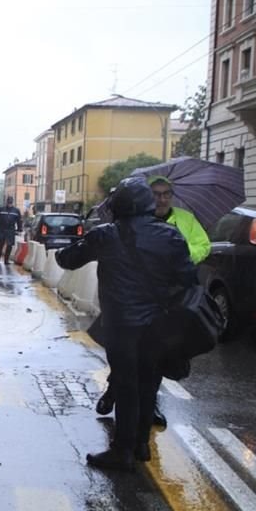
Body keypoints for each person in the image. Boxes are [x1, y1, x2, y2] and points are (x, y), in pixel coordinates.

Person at [58, 178, 196, 471]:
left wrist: (78, 243)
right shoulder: (170, 235)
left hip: (121, 324)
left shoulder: (106, 235)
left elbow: (67, 260)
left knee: (126, 383)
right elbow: (188, 280)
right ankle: (141, 444)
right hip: (158, 323)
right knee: (149, 383)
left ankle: (122, 450)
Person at [94, 175, 212, 425]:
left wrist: (181, 254)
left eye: (166, 194)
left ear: (172, 195)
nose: (161, 199)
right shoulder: (129, 222)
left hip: (168, 299)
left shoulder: (184, 220)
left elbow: (203, 245)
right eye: (156, 194)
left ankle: (149, 408)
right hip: (132, 296)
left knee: (155, 358)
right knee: (124, 354)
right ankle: (114, 391)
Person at [0, 196, 22, 264]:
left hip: (10, 229)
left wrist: (20, 229)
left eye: (10, 202)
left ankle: (6, 260)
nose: (9, 204)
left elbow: (19, 220)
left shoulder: (16, 211)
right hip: (1, 228)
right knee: (0, 243)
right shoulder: (1, 209)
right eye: (8, 202)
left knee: (9, 245)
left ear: (12, 202)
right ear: (6, 202)